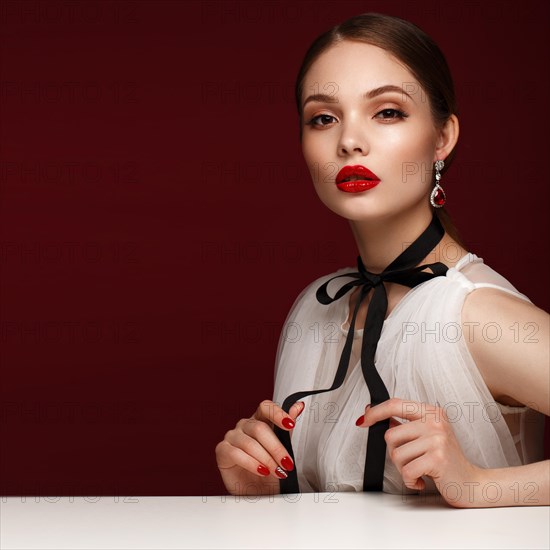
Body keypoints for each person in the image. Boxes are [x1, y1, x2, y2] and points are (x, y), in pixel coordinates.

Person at [214, 12, 549, 508]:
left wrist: (477, 484)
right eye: (323, 118)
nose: (349, 140)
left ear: (442, 138)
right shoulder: (317, 307)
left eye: (387, 112)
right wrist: (269, 488)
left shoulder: (475, 313)